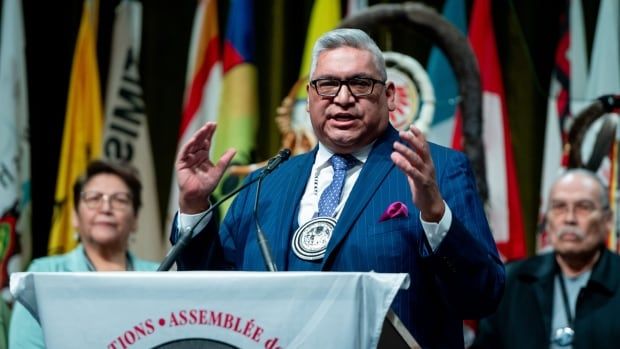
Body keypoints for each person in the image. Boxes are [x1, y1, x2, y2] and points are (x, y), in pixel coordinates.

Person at [171, 28, 504, 348]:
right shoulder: (265, 183)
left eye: (360, 83)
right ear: (311, 97)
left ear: (389, 96)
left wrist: (434, 215)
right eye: (328, 85)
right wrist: (194, 205)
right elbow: (215, 297)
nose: (343, 99)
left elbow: (482, 295)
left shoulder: (438, 170)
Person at [9, 160, 158, 349]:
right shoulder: (41, 275)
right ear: (74, 216)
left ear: (135, 219)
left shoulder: (159, 276)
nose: (106, 209)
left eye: (120, 200)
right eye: (94, 198)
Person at [472, 169, 620, 349]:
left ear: (608, 220)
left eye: (583, 207)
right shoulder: (512, 281)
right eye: (559, 207)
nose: (569, 218)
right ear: (546, 219)